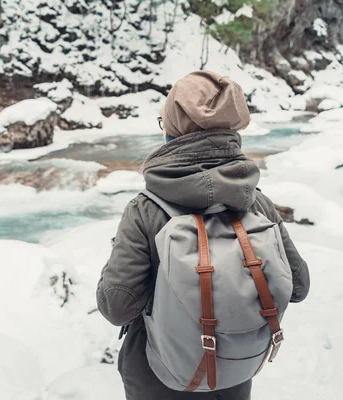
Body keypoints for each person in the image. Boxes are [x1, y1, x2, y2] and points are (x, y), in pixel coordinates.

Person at [96, 70, 310, 400]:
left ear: (172, 129)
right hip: (231, 370)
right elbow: (298, 286)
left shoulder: (145, 209)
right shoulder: (256, 201)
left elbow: (116, 306)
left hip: (158, 375)